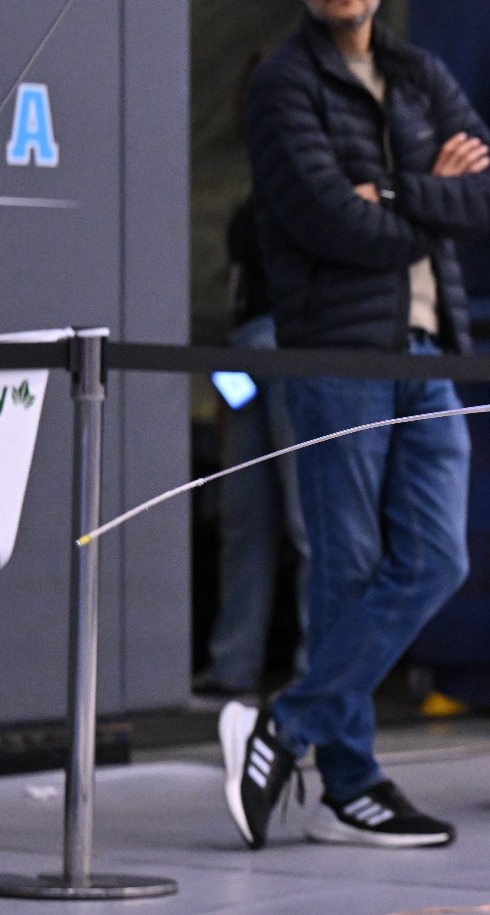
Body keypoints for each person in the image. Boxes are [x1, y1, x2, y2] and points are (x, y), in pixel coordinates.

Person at [219, 0, 490, 851]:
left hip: (429, 349)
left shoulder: (420, 75)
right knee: (343, 565)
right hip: (336, 353)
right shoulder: (283, 82)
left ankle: (286, 723)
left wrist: (389, 189)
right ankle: (349, 782)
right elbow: (326, 221)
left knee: (438, 556)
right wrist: (433, 196)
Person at [194, 195, 310, 704]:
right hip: (249, 346)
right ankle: (237, 665)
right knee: (248, 520)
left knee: (298, 524)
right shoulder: (251, 207)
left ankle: (308, 669)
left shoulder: (312, 193)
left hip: (280, 344)